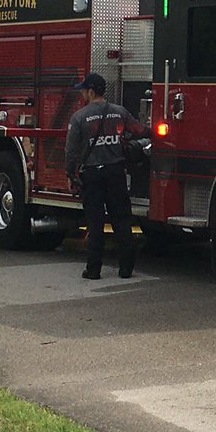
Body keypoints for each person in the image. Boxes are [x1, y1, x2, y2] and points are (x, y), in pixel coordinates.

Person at [65, 73, 147, 280]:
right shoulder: (119, 112)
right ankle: (126, 269)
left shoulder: (80, 117)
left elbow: (71, 151)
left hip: (92, 175)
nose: (82, 94)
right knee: (121, 220)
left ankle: (93, 270)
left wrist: (70, 173)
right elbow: (139, 130)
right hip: (116, 173)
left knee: (95, 222)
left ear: (91, 91)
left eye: (84, 90)